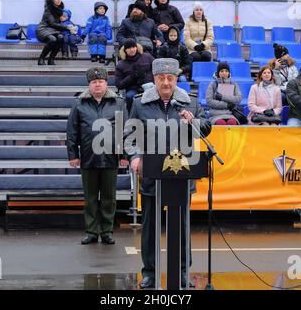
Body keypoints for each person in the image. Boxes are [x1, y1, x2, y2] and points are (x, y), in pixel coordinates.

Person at [127, 58, 211, 289]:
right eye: (161, 78)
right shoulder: (139, 104)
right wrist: (135, 156)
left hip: (181, 176)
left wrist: (193, 120)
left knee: (182, 228)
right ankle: (150, 274)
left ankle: (183, 273)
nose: (166, 82)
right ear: (154, 79)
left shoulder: (189, 103)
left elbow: (207, 127)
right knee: (149, 230)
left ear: (176, 80)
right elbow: (129, 135)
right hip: (152, 175)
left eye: (170, 78)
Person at [66, 67, 129, 245]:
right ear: (89, 85)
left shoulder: (118, 102)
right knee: (90, 197)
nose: (97, 85)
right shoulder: (79, 103)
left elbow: (126, 130)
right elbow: (72, 131)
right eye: (94, 82)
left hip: (110, 157)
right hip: (88, 157)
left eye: (100, 81)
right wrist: (73, 154)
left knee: (109, 197)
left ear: (106, 83)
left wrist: (125, 155)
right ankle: (91, 231)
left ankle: (107, 231)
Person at [115, 38, 154, 112]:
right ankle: (131, 116)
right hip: (133, 89)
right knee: (129, 96)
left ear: (137, 47)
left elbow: (156, 70)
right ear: (125, 50)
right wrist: (132, 76)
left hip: (149, 86)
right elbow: (119, 85)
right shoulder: (121, 65)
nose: (132, 50)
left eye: (133, 47)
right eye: (129, 48)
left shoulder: (147, 57)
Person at [36, 0, 69, 65]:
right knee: (52, 39)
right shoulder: (48, 9)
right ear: (52, 0)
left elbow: (60, 22)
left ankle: (51, 59)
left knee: (61, 38)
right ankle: (41, 58)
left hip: (54, 30)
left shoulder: (60, 10)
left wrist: (69, 26)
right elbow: (52, 23)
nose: (59, 0)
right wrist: (67, 27)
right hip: (43, 29)